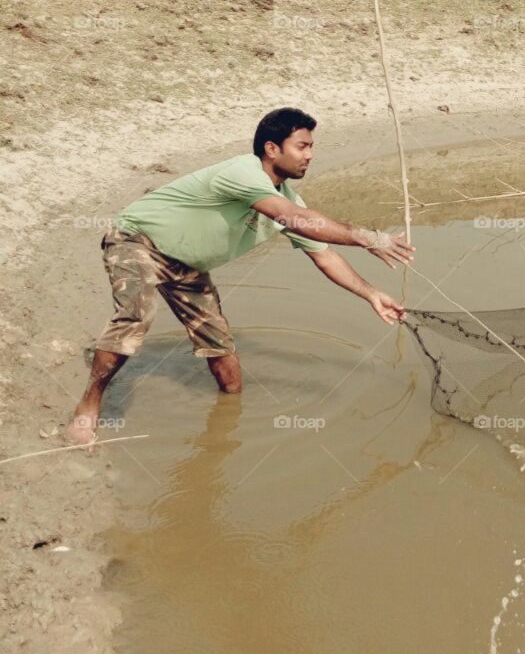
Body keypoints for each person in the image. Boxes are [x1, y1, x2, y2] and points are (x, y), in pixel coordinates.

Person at [66, 107, 414, 446]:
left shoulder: (288, 197)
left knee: (220, 344)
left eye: (311, 147)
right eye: (302, 146)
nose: (310, 155)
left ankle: (228, 420)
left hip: (185, 263)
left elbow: (324, 256)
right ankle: (89, 406)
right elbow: (294, 217)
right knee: (136, 316)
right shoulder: (244, 173)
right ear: (272, 148)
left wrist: (372, 294)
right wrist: (369, 238)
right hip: (137, 239)